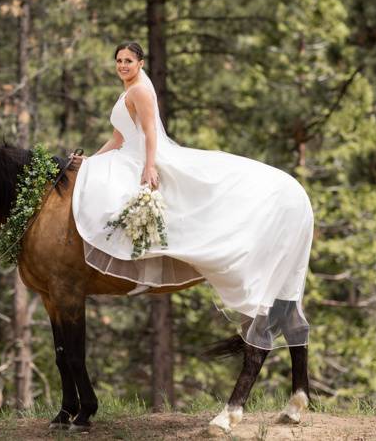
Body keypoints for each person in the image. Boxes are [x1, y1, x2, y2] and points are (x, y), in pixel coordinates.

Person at [71, 41, 313, 349]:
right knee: (100, 182)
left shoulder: (140, 90)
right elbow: (119, 136)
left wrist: (148, 167)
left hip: (142, 156)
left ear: (141, 63)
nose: (123, 65)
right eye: (119, 60)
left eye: (128, 60)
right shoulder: (127, 90)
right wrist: (91, 160)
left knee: (126, 194)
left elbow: (150, 132)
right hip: (127, 152)